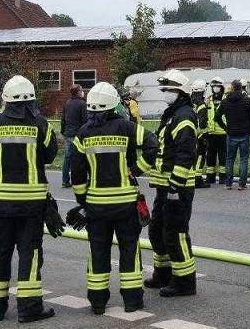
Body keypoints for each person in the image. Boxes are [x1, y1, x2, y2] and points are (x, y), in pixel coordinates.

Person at [69, 82, 158, 314]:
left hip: (97, 206)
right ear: (114, 104)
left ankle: (98, 302)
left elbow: (77, 172)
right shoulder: (127, 127)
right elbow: (152, 144)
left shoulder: (83, 133)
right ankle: (132, 301)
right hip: (126, 204)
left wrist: (82, 201)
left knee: (98, 252)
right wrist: (137, 169)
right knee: (129, 250)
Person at [0, 75, 59, 322]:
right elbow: (50, 155)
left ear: (5, 98)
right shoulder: (41, 124)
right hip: (31, 204)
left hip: (0, 203)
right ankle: (29, 308)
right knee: (30, 253)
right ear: (31, 99)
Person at [143, 69, 199, 297]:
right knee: (157, 231)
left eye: (168, 89)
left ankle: (185, 282)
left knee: (176, 234)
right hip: (164, 187)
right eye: (164, 89)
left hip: (177, 187)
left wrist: (176, 184)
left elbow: (186, 154)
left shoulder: (184, 116)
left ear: (180, 92)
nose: (164, 93)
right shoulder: (173, 114)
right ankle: (163, 274)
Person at [216, 79, 250, 190]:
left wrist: (225, 128)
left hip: (231, 134)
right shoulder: (246, 100)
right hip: (244, 133)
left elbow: (217, 117)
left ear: (232, 88)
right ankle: (242, 184)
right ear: (241, 88)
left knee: (230, 159)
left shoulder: (225, 101)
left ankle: (228, 183)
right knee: (244, 159)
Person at [61, 85, 87, 188]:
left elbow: (63, 119)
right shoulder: (83, 104)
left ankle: (65, 181)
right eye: (81, 90)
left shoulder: (67, 103)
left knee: (67, 158)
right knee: (80, 158)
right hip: (78, 135)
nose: (82, 91)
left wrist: (63, 131)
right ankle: (79, 180)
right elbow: (85, 121)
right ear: (78, 92)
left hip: (68, 134)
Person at [202, 77, 227, 185]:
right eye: (214, 86)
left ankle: (223, 177)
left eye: (217, 86)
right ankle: (210, 177)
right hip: (211, 133)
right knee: (210, 156)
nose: (215, 88)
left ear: (221, 87)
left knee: (223, 156)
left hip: (223, 132)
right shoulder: (208, 99)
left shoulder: (226, 99)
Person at [190, 80, 210, 189]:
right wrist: (204, 135)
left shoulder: (189, 102)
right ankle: (197, 179)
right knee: (200, 157)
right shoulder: (201, 105)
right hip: (199, 136)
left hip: (189, 135)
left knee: (192, 157)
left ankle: (191, 177)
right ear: (203, 91)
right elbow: (202, 123)